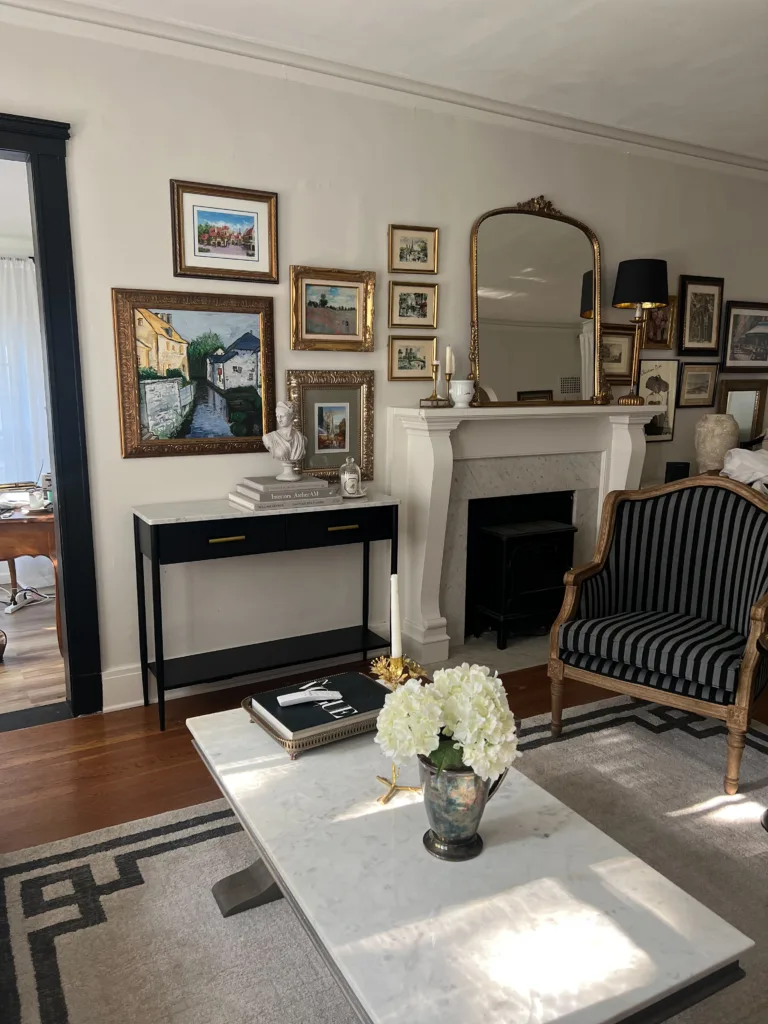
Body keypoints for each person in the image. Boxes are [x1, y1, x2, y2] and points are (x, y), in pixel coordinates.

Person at [263, 401, 306, 478]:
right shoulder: (269, 438)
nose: (279, 420)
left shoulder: (301, 439)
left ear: (291, 416)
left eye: (282, 416)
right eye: (277, 416)